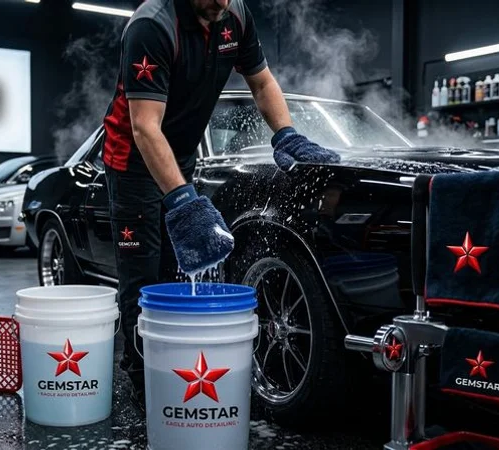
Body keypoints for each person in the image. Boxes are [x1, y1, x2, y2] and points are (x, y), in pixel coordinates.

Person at [101, 0, 339, 410]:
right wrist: (182, 200)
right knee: (142, 281)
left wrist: (286, 134)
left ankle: (176, 367)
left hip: (180, 155)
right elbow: (144, 127)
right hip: (134, 163)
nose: (222, 3)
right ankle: (147, 389)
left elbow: (262, 83)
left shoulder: (235, 15)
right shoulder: (152, 27)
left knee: (177, 274)